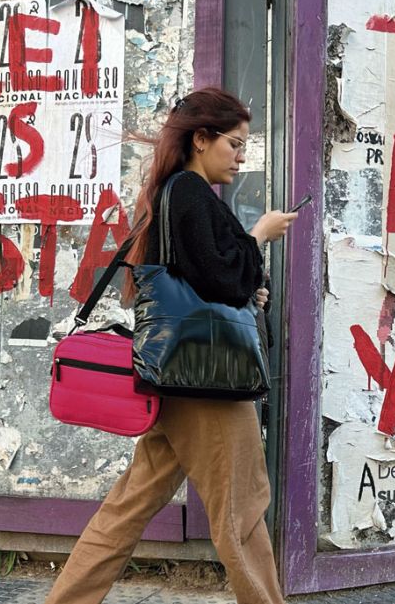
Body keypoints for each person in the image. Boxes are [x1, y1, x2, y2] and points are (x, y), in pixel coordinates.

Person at [45, 87, 296, 604]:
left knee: (128, 507)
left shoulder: (176, 193)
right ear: (201, 139)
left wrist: (250, 280)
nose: (242, 155)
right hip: (207, 384)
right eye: (235, 142)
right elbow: (222, 280)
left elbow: (208, 278)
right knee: (243, 514)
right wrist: (259, 236)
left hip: (176, 379)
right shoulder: (188, 192)